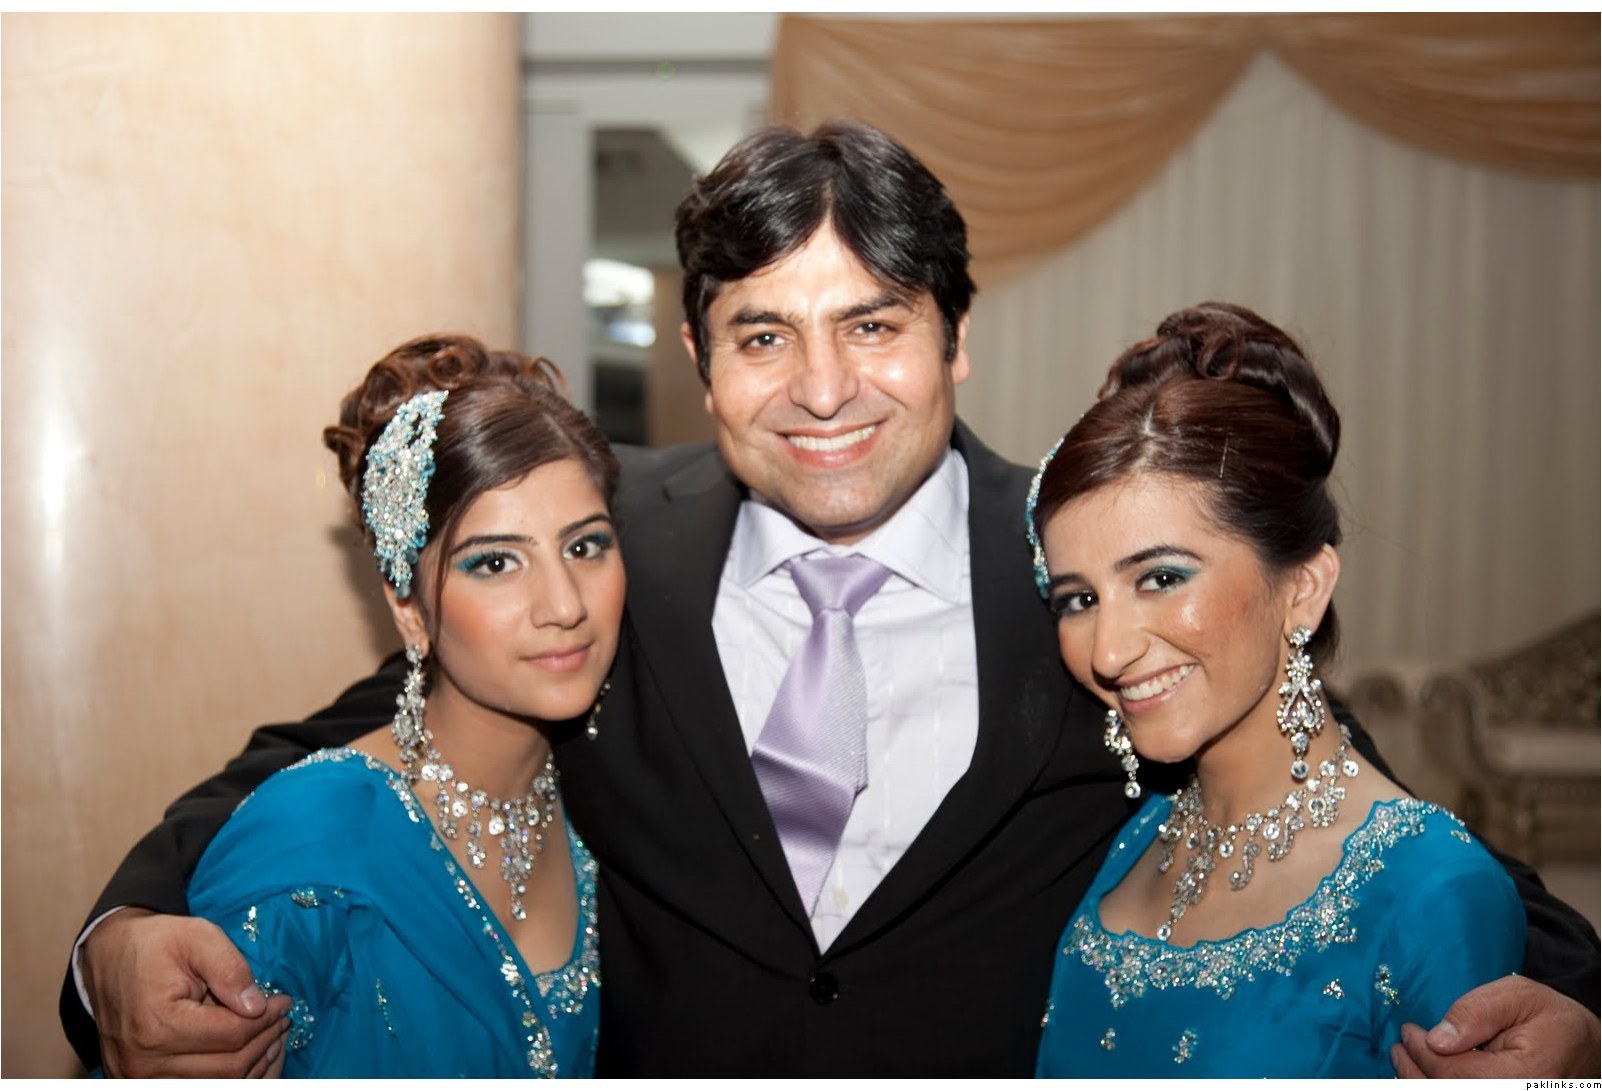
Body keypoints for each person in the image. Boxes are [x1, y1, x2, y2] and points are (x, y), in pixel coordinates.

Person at [62, 123, 1599, 1078]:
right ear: (696, 356)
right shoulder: (600, 547)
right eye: (761, 335)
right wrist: (116, 936)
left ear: (955, 339)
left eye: (872, 324)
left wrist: (1579, 1016)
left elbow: (1357, 812)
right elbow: (341, 749)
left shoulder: (1086, 570)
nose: (820, 390)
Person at [1027, 303, 1527, 1076]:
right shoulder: (1130, 839)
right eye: (1079, 598)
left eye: (1161, 577)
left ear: (1303, 587)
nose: (1110, 650)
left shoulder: (1432, 890)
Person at [181, 335, 622, 1076]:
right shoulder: (309, 844)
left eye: (585, 546)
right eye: (496, 562)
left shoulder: (604, 803)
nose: (565, 604)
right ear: (407, 607)